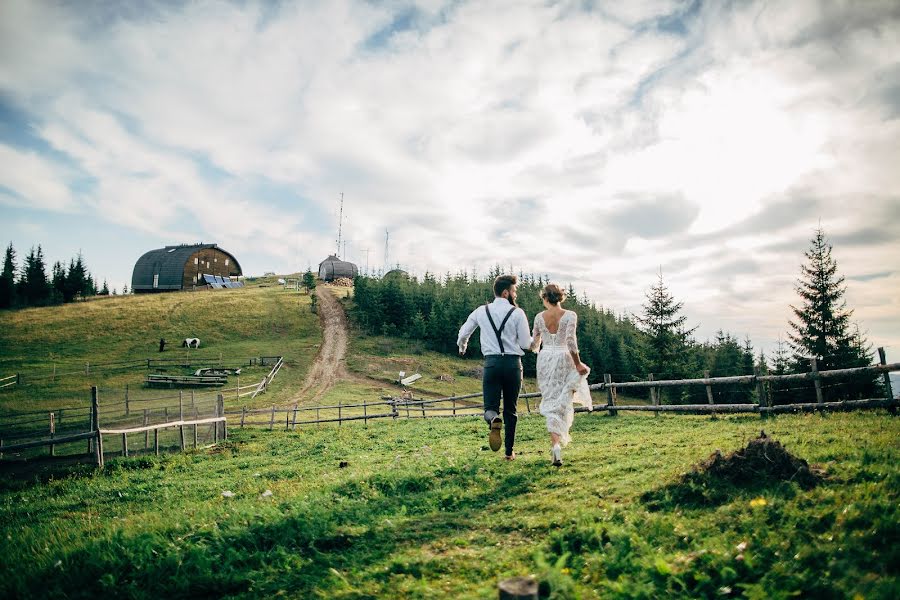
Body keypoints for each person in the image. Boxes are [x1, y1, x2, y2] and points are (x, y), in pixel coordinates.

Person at [457, 274, 532, 460]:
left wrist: (462, 346)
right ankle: (508, 452)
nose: (515, 294)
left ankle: (493, 420)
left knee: (490, 407)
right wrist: (536, 339)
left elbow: (464, 332)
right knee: (511, 410)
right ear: (506, 292)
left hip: (492, 364)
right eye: (514, 291)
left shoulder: (481, 311)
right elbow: (524, 343)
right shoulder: (517, 313)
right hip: (513, 365)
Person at [530, 283, 592, 467]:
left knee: (550, 401)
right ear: (560, 297)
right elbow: (571, 342)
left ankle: (556, 445)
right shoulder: (570, 315)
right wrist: (578, 363)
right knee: (563, 401)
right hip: (565, 358)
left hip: (546, 359)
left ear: (544, 298)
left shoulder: (539, 318)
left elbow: (534, 345)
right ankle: (558, 440)